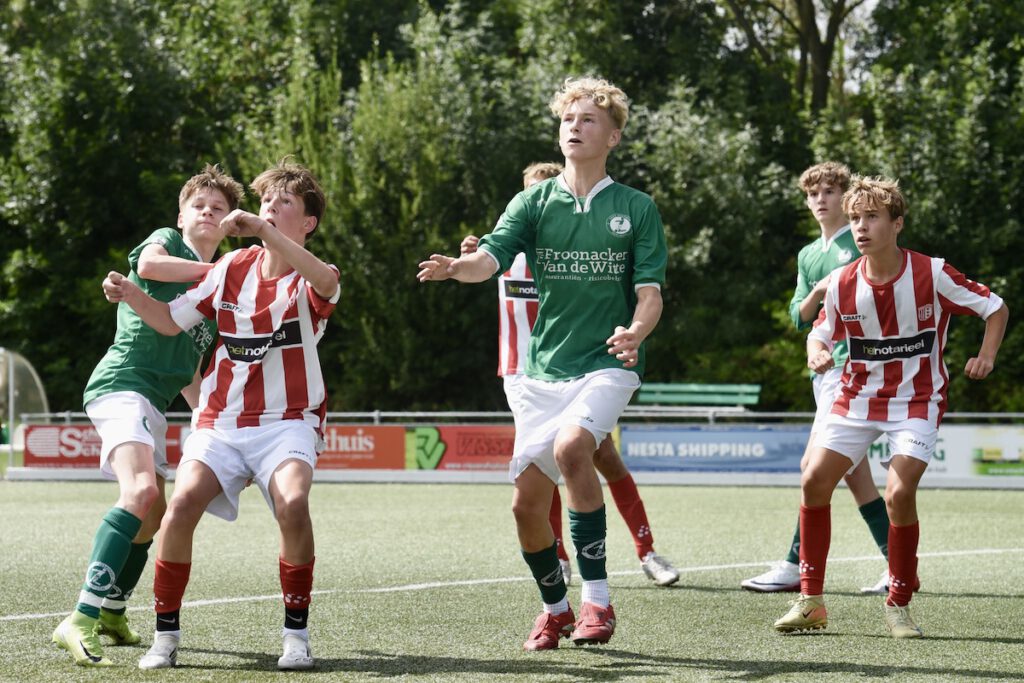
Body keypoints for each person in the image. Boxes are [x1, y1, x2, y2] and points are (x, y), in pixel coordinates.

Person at [419, 77, 668, 650]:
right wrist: (458, 269)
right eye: (567, 119)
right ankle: (556, 610)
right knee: (525, 505)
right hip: (541, 370)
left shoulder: (636, 208)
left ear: (613, 136)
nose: (574, 127)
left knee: (573, 449)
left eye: (588, 119)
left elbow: (650, 294)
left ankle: (598, 602)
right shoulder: (532, 202)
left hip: (607, 362)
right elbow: (489, 260)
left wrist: (635, 332)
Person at [101, 160, 339, 670]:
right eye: (266, 201)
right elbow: (170, 322)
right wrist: (130, 293)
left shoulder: (313, 275)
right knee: (180, 506)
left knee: (293, 503)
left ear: (308, 223)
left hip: (287, 421)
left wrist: (264, 233)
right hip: (221, 422)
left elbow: (325, 279)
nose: (270, 208)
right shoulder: (230, 269)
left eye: (284, 203)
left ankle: (295, 637)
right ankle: (165, 637)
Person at [773, 176, 1008, 639]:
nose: (860, 227)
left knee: (899, 494)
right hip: (857, 398)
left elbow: (995, 308)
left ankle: (899, 603)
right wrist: (815, 353)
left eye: (872, 217)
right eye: (855, 218)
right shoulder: (841, 281)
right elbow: (818, 332)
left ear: (897, 223)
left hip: (917, 400)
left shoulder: (932, 273)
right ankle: (811, 601)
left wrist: (987, 356)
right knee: (814, 479)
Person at [52, 165, 244, 668]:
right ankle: (80, 618)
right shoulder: (169, 245)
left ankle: (112, 611)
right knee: (139, 494)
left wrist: (218, 425)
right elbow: (151, 265)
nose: (208, 212)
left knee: (153, 513)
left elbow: (191, 375)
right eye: (198, 206)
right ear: (181, 217)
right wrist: (221, 273)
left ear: (228, 225)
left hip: (152, 404)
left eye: (218, 208)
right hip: (121, 385)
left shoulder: (215, 299)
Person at [461, 161, 679, 589]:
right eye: (534, 193)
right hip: (523, 372)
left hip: (582, 367)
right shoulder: (506, 250)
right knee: (545, 462)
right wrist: (465, 259)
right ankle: (559, 556)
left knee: (597, 455)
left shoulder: (577, 248)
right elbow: (482, 261)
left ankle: (646, 550)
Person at [743, 162, 893, 595]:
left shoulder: (861, 240)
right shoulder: (809, 254)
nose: (820, 200)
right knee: (855, 477)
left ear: (845, 197)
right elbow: (799, 315)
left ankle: (795, 564)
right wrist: (819, 290)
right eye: (813, 194)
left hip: (852, 371)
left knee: (812, 466)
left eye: (829, 191)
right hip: (823, 371)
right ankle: (900, 563)